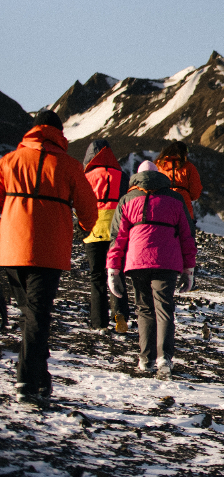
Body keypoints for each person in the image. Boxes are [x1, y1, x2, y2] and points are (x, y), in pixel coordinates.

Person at [0, 110, 98, 404]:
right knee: (38, 316)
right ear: (59, 133)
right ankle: (27, 382)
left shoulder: (8, 162)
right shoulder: (68, 165)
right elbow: (88, 208)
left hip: (11, 249)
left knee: (30, 316)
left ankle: (40, 380)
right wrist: (85, 226)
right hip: (48, 250)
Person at [107, 160, 197, 379]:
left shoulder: (127, 199)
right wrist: (189, 269)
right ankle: (164, 358)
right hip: (167, 262)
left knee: (144, 309)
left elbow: (117, 238)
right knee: (164, 309)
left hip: (136, 261)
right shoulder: (175, 199)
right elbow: (187, 235)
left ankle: (145, 358)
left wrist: (113, 270)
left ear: (137, 177)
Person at [82, 139, 130, 332]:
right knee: (117, 273)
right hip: (116, 230)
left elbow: (81, 204)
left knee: (96, 277)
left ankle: (98, 321)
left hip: (93, 230)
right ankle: (120, 314)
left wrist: (81, 227)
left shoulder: (86, 176)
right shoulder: (122, 176)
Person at [155, 141, 202, 227]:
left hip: (163, 204)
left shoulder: (159, 165)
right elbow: (195, 191)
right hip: (184, 205)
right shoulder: (189, 167)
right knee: (186, 236)